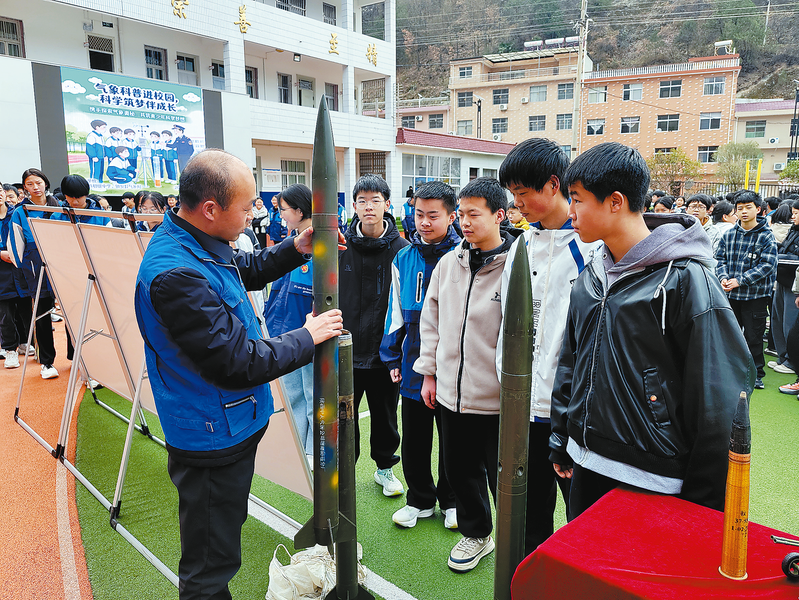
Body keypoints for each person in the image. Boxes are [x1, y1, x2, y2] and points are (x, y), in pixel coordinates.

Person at [134, 149, 344, 600]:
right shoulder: (176, 274)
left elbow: (242, 270)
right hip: (211, 434)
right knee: (210, 565)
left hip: (227, 424)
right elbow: (238, 361)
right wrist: (307, 336)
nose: (254, 215)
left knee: (220, 539)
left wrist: (294, 247)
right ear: (211, 208)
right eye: (248, 207)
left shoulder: (195, 240)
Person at [550, 143, 754, 519]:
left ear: (615, 201)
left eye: (576, 199)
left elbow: (719, 398)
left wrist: (704, 502)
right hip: (585, 458)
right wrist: (563, 434)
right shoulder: (591, 274)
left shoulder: (685, 279)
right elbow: (571, 361)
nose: (570, 212)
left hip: (653, 475)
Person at [496, 137, 600, 555]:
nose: (517, 204)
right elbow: (508, 321)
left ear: (554, 185)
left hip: (570, 411)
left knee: (582, 517)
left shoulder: (592, 248)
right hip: (521, 405)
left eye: (523, 193)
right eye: (513, 194)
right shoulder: (521, 245)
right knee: (528, 514)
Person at [415, 177, 514, 572]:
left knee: (505, 479)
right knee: (459, 470)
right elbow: (431, 322)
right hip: (450, 394)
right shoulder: (448, 263)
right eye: (462, 214)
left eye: (475, 214)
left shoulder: (517, 265)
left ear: (499, 215)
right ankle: (477, 533)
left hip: (498, 400)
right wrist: (429, 374)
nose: (465, 222)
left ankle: (516, 542)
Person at [381, 181, 461, 530]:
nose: (424, 222)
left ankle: (452, 501)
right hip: (413, 360)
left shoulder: (463, 254)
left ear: (451, 216)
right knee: (414, 436)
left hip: (454, 361)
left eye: (433, 215)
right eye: (418, 215)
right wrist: (391, 357)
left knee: (453, 438)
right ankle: (419, 500)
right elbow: (394, 312)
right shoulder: (403, 257)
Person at [340, 174, 409, 496]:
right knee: (344, 419)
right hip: (345, 352)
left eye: (375, 200)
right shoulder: (338, 247)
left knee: (385, 418)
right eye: (362, 201)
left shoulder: (403, 250)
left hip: (385, 355)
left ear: (387, 204)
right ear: (354, 206)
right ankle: (343, 473)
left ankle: (384, 469)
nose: (369, 206)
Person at [264, 184, 315, 463]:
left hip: (309, 334)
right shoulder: (291, 242)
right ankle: (298, 447)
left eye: (283, 209)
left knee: (313, 393)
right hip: (284, 334)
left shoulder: (320, 245)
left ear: (299, 211)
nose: (280, 214)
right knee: (293, 393)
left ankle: (313, 450)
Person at [715, 190, 778, 389]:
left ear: (758, 209)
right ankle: (731, 371)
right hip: (731, 295)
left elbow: (767, 265)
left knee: (754, 337)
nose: (743, 211)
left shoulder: (766, 236)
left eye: (748, 207)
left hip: (755, 296)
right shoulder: (729, 234)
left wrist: (739, 281)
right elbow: (720, 259)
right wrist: (723, 278)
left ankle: (756, 373)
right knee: (730, 335)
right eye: (740, 208)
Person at [8, 168, 60, 379]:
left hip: (63, 266)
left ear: (45, 183)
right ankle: (47, 362)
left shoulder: (60, 207)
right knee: (42, 315)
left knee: (73, 313)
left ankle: (77, 358)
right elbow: (16, 248)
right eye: (30, 184)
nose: (35, 187)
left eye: (38, 182)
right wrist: (26, 271)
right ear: (25, 187)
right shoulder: (20, 212)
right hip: (35, 270)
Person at [768, 200, 799, 375]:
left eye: (796, 213)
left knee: (790, 324)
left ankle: (792, 362)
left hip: (794, 285)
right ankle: (783, 356)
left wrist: (778, 257)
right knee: (777, 320)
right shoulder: (794, 230)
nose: (792, 216)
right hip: (782, 280)